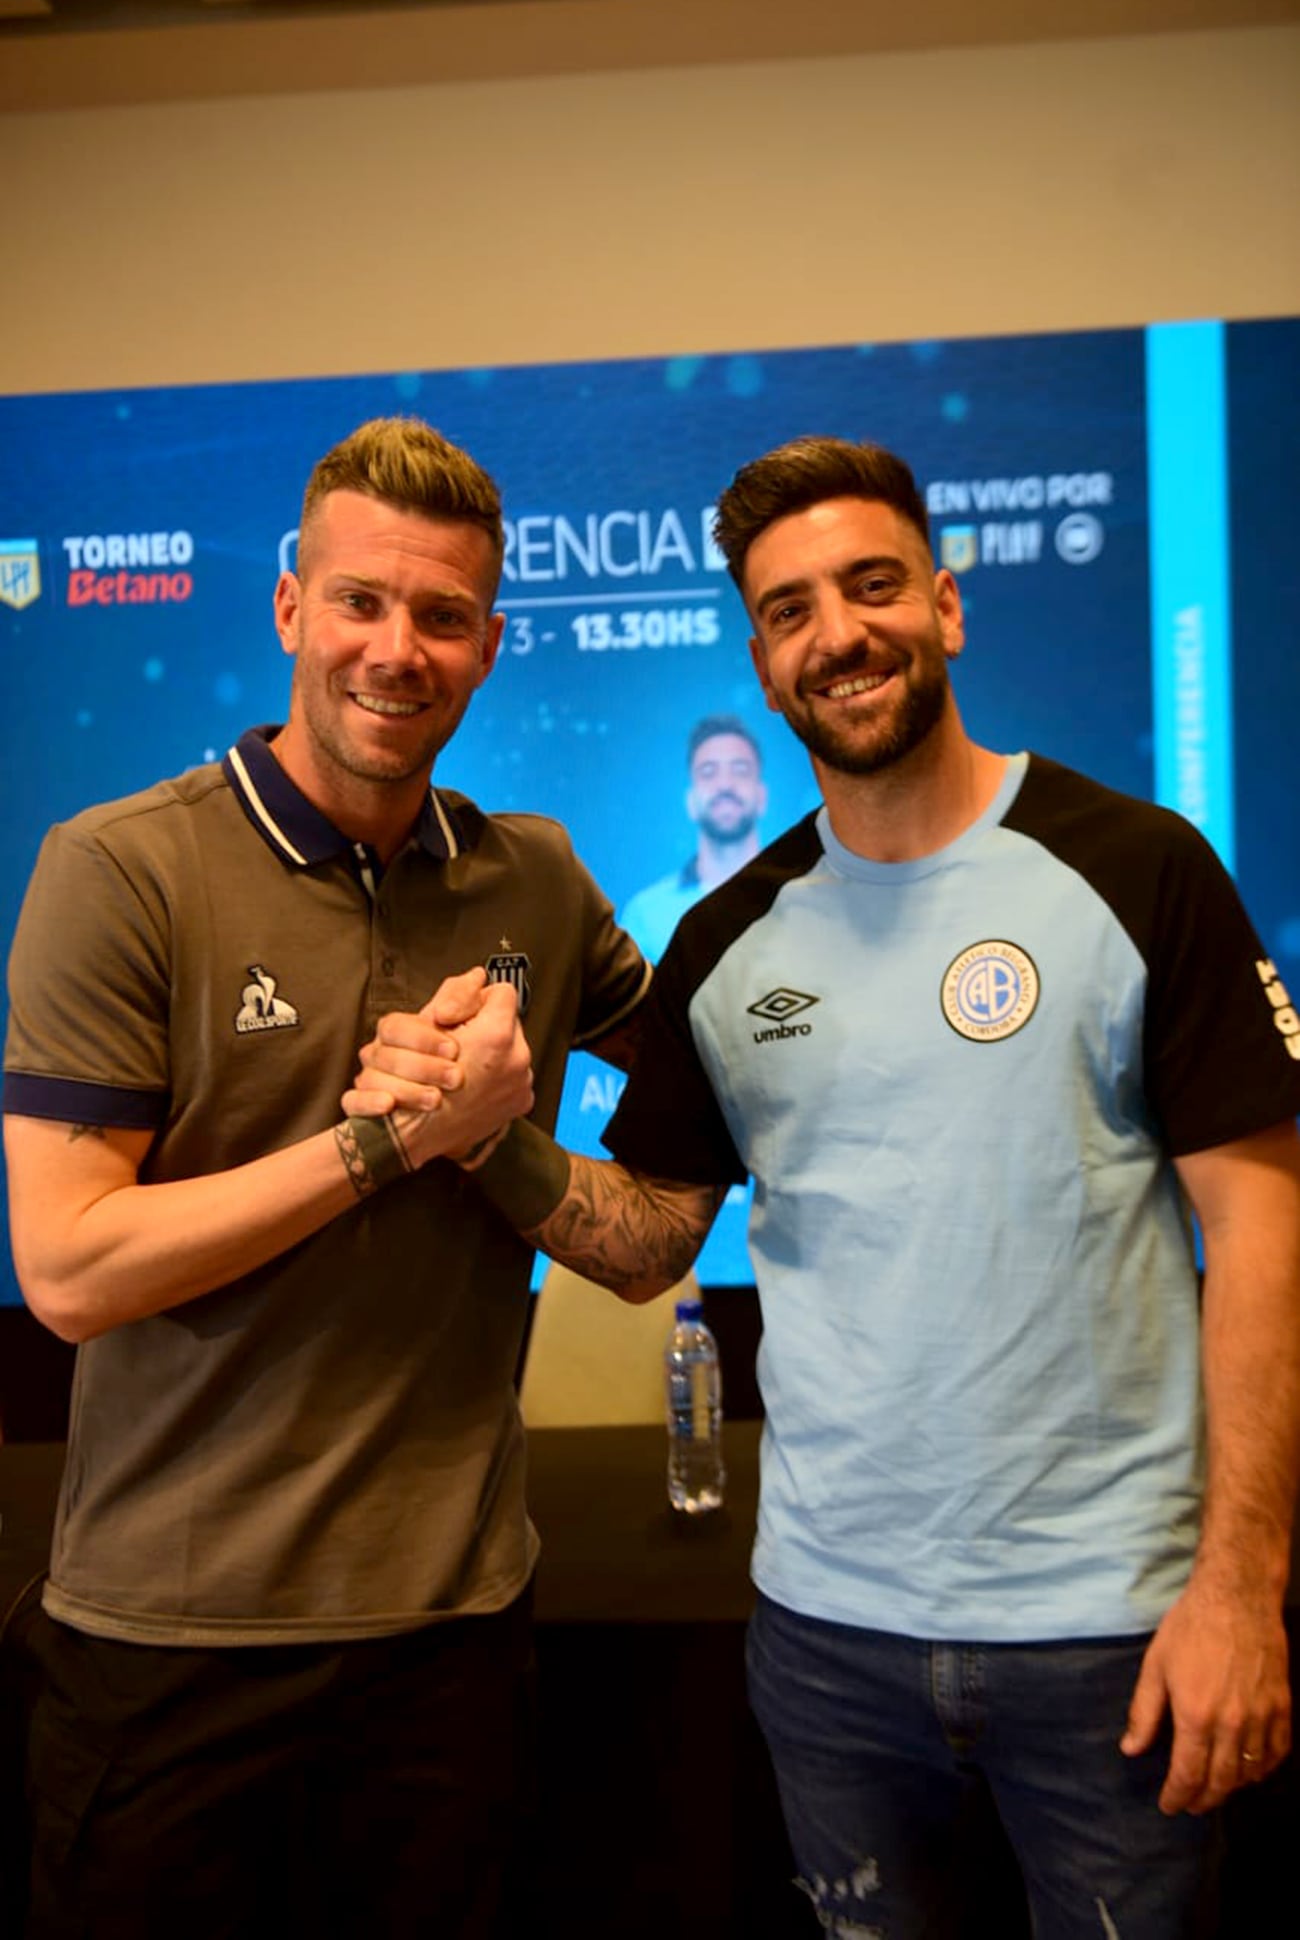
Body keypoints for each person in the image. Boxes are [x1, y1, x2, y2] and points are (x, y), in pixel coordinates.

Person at [353, 436, 1300, 1939]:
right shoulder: (730, 939)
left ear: (945, 603)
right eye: (791, 610)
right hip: (828, 1641)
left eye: (871, 588)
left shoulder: (1141, 867)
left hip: (1113, 1636)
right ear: (763, 659)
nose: (838, 633)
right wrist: (490, 1139)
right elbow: (656, 1232)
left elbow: (1262, 1231)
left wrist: (1242, 1594)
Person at [2, 416, 649, 1939]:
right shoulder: (122, 868)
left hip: (453, 1646)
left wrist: (505, 1140)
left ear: (490, 644)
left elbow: (696, 1082)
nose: (394, 650)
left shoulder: (536, 879)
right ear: (291, 606)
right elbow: (73, 1272)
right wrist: (382, 1145)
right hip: (167, 1645)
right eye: (361, 602)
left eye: (439, 616)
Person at [619, 715, 767, 959]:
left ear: (762, 797)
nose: (725, 784)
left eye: (740, 770)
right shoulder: (644, 916)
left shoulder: (803, 901)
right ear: (690, 803)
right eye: (708, 772)